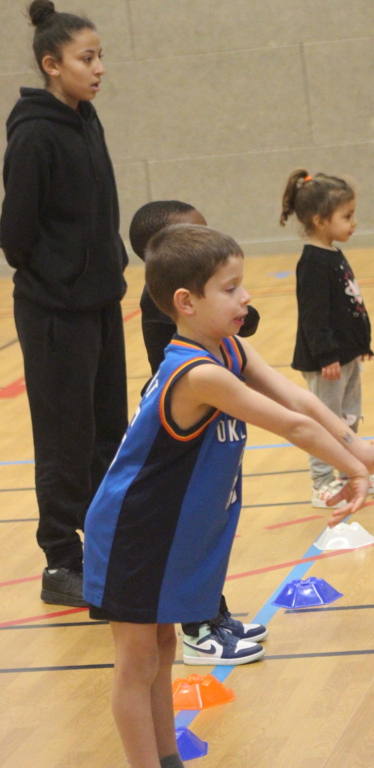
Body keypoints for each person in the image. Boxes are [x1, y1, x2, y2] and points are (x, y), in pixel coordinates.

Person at [83, 223, 374, 768]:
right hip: (132, 531)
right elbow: (293, 426)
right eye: (229, 288)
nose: (245, 296)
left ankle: (166, 759)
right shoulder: (198, 374)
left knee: (162, 650)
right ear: (186, 302)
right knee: (137, 662)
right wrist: (352, 468)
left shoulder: (229, 347)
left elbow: (301, 401)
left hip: (162, 532)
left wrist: (359, 448)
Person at [0, 0, 128, 607]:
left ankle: (103, 547)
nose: (99, 68)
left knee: (108, 432)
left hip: (100, 302)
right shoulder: (34, 134)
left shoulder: (86, 118)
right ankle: (60, 561)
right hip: (55, 311)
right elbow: (15, 236)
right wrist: (61, 277)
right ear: (52, 65)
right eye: (86, 58)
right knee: (64, 440)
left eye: (100, 56)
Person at [128, 200, 267, 666]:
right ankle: (198, 629)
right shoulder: (167, 309)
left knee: (210, 525)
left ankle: (212, 613)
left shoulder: (199, 305)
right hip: (184, 425)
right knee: (188, 533)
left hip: (204, 415)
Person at [280, 169, 374, 509]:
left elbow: (348, 305)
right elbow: (313, 316)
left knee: (348, 417)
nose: (353, 222)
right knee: (325, 421)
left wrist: (361, 345)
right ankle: (322, 483)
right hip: (327, 362)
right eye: (347, 216)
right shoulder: (313, 262)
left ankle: (349, 473)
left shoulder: (332, 253)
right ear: (320, 220)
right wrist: (326, 355)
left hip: (347, 356)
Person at [129, 200, 261, 376]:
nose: (208, 242)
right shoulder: (167, 295)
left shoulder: (180, 285)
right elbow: (247, 323)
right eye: (194, 237)